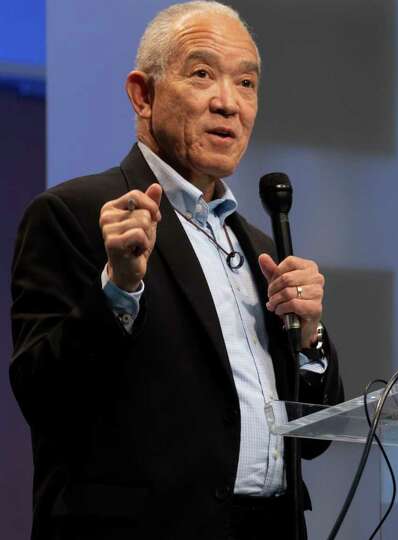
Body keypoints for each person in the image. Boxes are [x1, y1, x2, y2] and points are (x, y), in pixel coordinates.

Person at [9, 2, 343, 539]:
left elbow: (318, 439)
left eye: (247, 83)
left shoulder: (257, 245)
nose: (228, 104)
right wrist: (119, 290)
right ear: (143, 94)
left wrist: (309, 339)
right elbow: (43, 396)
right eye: (203, 74)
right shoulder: (76, 213)